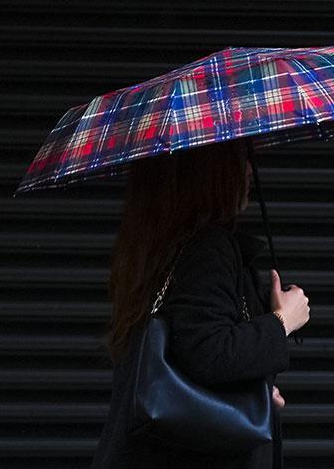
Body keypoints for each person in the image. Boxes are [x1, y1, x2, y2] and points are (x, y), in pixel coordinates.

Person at [89, 138, 311, 468]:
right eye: (238, 156)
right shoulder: (208, 248)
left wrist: (256, 396)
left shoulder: (154, 246)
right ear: (207, 171)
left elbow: (187, 361)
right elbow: (210, 351)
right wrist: (283, 320)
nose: (250, 167)